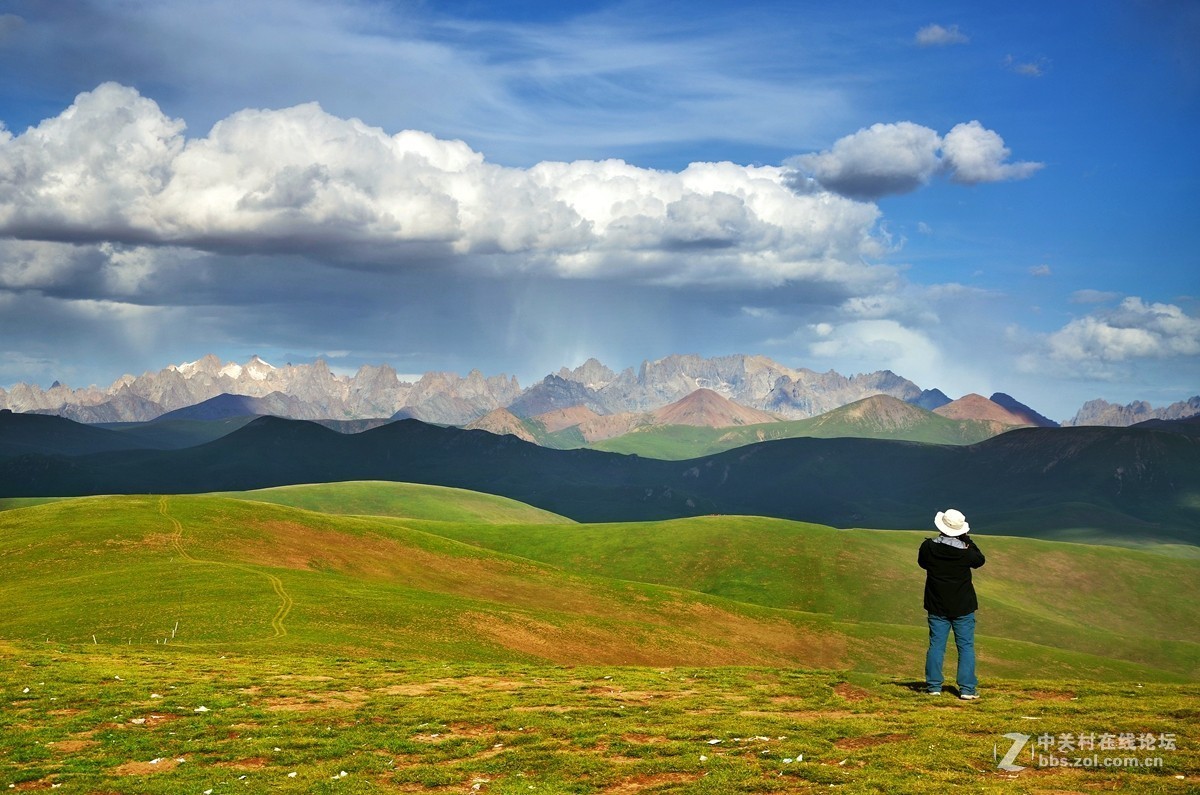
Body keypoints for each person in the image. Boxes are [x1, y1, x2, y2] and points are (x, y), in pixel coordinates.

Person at [918, 508, 985, 699]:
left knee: (936, 645)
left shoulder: (928, 547)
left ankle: (933, 687)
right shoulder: (966, 553)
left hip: (936, 604)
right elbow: (980, 560)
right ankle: (967, 689)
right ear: (960, 530)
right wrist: (967, 540)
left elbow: (923, 563)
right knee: (965, 646)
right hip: (963, 606)